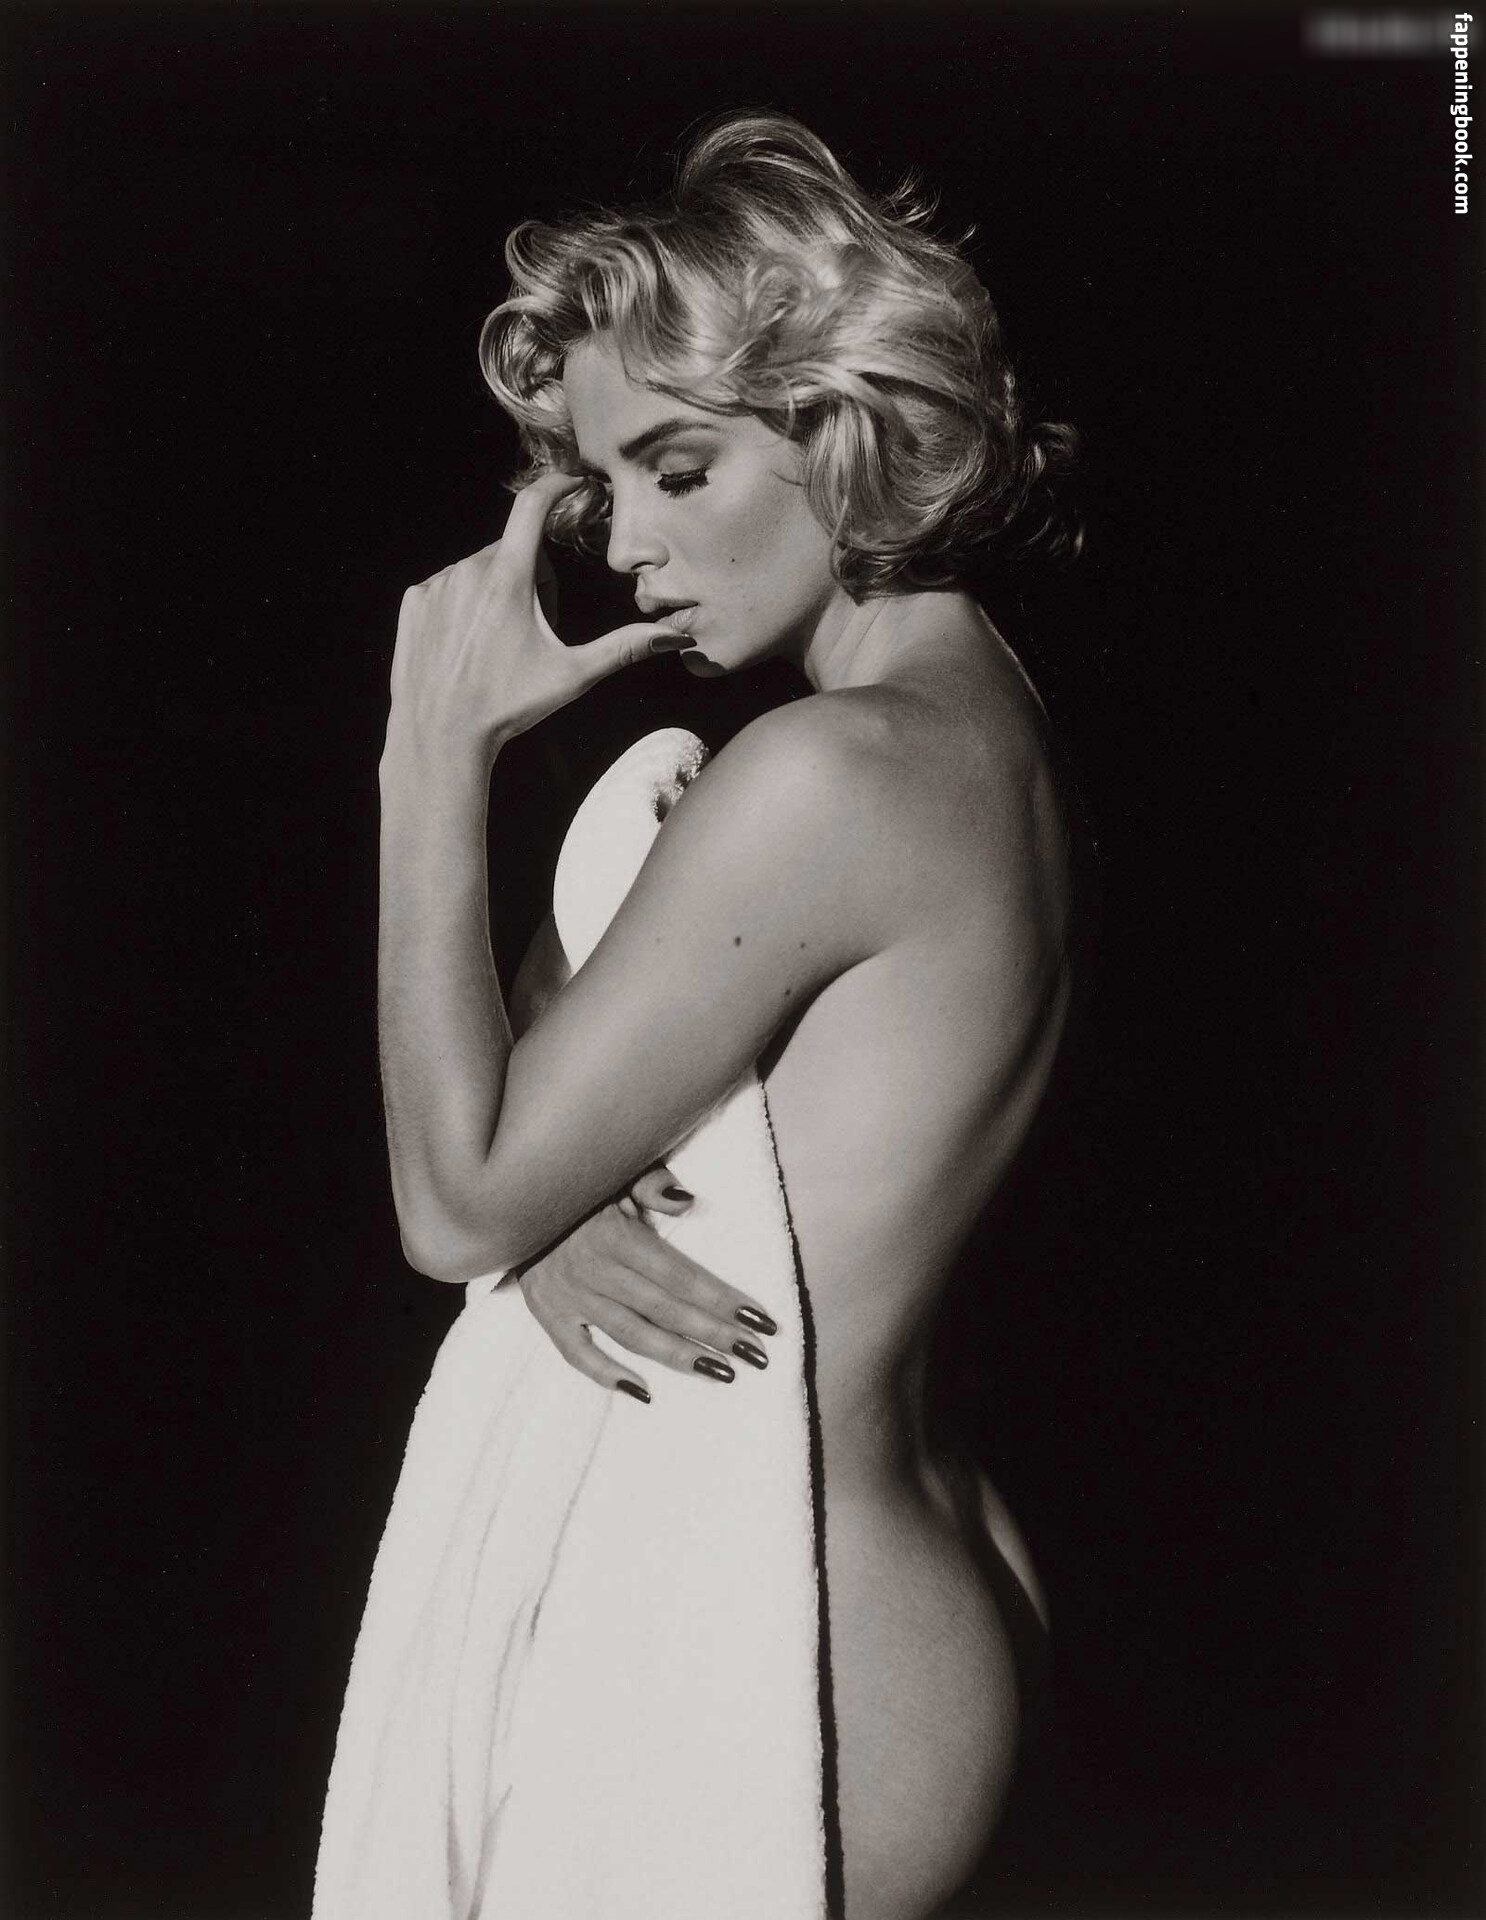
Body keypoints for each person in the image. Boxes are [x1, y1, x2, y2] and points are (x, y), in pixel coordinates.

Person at [321, 112, 1079, 1920]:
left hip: (790, 1633)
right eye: (607, 493)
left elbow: (450, 1201)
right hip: (893, 1562)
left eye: (680, 469)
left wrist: (427, 756)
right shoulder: (971, 730)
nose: (633, 549)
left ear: (839, 426)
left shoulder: (829, 772)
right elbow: (555, 1076)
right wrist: (559, 1190)